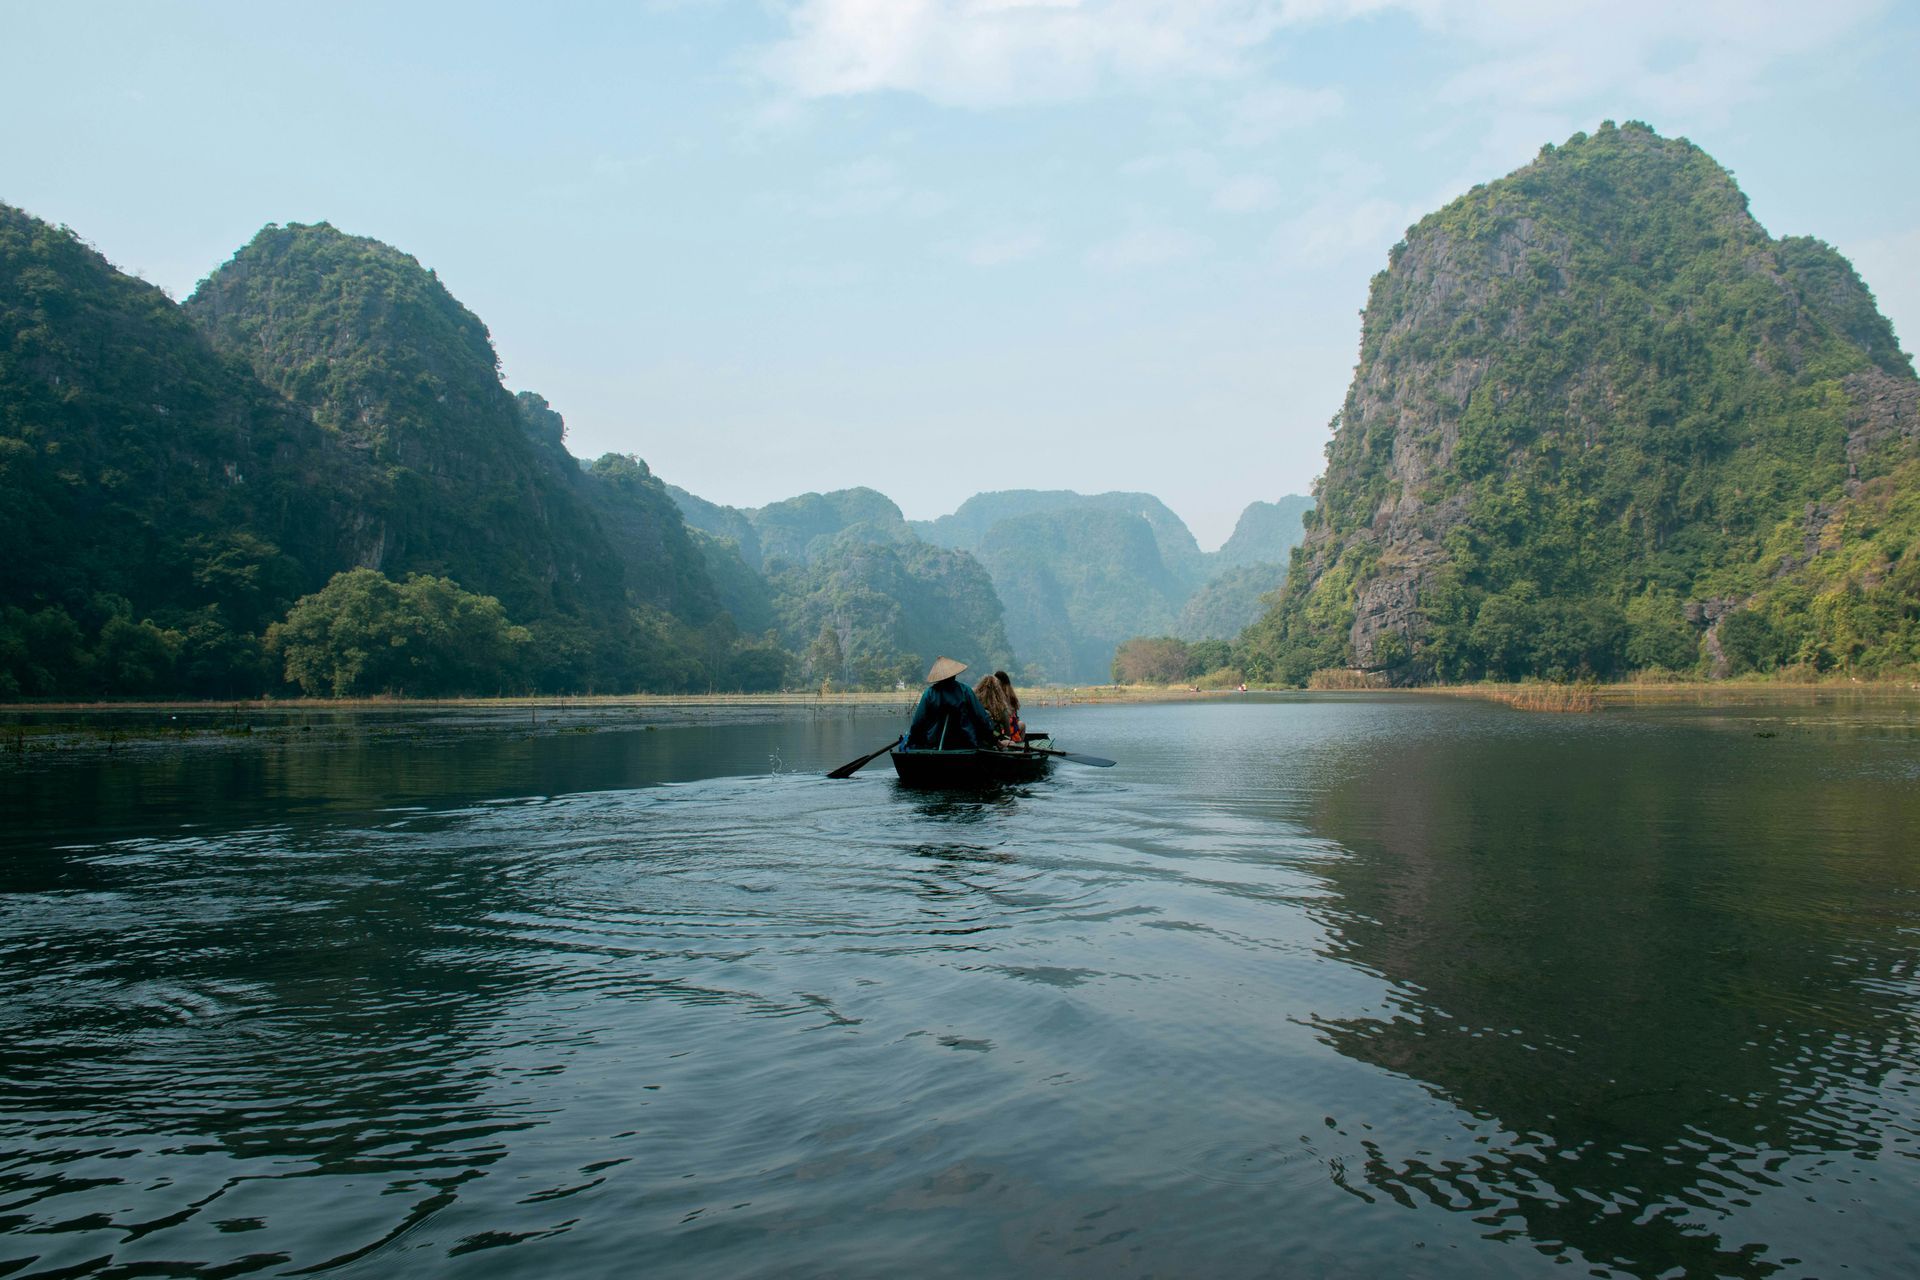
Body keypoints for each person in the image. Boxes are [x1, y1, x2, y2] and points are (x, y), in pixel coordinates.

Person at [903, 656, 997, 751]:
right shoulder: (965, 691)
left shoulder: (929, 693)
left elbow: (917, 723)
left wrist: (911, 741)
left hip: (934, 743)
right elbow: (981, 717)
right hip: (965, 742)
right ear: (954, 675)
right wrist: (992, 738)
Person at [974, 670, 1024, 744]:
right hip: (996, 742)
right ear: (998, 690)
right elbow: (1007, 736)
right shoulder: (1002, 709)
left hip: (977, 740)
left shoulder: (975, 704)